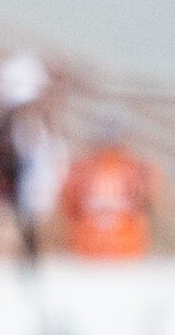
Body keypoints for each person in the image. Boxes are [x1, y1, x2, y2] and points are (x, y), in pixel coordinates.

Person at [57, 109, 161, 261]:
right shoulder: (141, 170)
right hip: (128, 255)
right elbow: (156, 214)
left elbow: (66, 214)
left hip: (87, 256)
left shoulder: (78, 170)